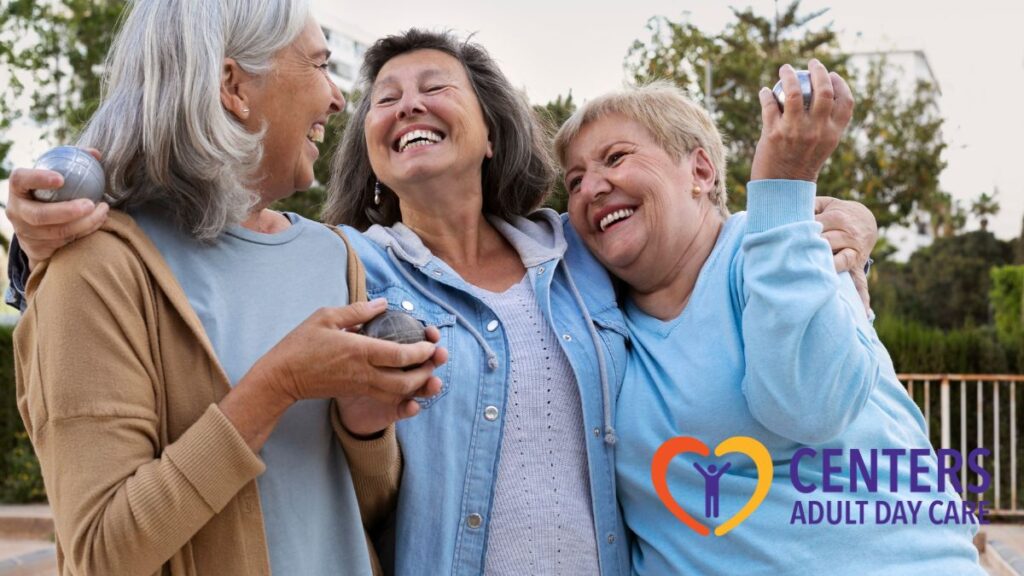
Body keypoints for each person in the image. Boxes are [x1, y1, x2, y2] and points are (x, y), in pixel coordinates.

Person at [7, 29, 878, 575]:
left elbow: (697, 240)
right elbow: (211, 255)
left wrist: (837, 221)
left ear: (489, 127)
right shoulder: (346, 264)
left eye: (434, 87)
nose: (403, 104)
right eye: (383, 99)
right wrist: (36, 239)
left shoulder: (579, 251)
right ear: (374, 153)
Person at [6, 2, 445, 575]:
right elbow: (100, 554)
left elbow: (364, 508)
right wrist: (278, 385)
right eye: (318, 65)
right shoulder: (96, 268)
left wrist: (366, 425)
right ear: (233, 86)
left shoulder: (331, 254)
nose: (338, 99)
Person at [554, 69, 984, 574]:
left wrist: (784, 188)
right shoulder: (591, 315)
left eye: (616, 158)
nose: (592, 189)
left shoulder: (794, 244)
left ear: (701, 172)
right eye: (575, 182)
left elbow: (811, 406)